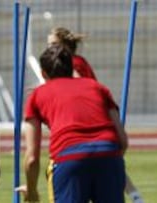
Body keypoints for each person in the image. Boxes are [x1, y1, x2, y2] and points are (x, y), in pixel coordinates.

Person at [16, 44, 128, 203]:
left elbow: (32, 157)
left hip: (69, 159)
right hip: (109, 156)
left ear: (43, 73)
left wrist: (32, 191)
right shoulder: (97, 87)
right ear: (71, 68)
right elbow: (122, 140)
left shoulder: (37, 95)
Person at [47, 27, 144, 203]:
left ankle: (135, 195)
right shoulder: (78, 61)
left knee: (94, 160)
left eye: (53, 44)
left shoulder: (72, 64)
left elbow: (75, 82)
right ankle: (136, 196)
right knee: (107, 160)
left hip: (89, 117)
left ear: (65, 45)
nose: (49, 48)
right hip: (98, 112)